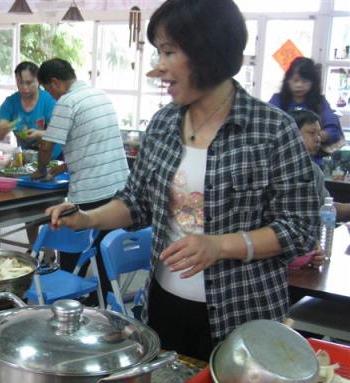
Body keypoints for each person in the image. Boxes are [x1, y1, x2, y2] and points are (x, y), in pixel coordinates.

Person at [45, 0, 319, 361]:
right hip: (164, 306)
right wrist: (86, 217)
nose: (159, 68)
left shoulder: (272, 130)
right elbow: (136, 202)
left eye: (169, 52)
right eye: (159, 52)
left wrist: (220, 246)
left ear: (209, 51)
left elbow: (301, 229)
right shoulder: (162, 124)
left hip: (242, 314)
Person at [32, 58, 130, 297]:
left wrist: (43, 170)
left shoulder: (68, 101)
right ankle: (104, 305)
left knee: (72, 256)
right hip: (119, 191)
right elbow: (93, 142)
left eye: (48, 89)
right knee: (106, 254)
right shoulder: (99, 96)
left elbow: (46, 146)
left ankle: (69, 304)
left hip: (91, 192)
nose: (50, 95)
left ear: (55, 82)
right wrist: (64, 165)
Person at [269, 57, 343, 167]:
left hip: (313, 162)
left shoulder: (320, 102)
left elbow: (334, 131)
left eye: (304, 81)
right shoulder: (278, 100)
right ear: (287, 80)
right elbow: (268, 126)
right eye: (295, 80)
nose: (299, 85)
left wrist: (313, 136)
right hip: (281, 161)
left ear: (313, 83)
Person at [289, 109, 350, 220]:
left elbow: (326, 208)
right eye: (312, 133)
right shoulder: (273, 167)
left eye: (319, 134)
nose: (318, 139)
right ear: (292, 133)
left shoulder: (313, 169)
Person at [0, 61, 61, 159]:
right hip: (25, 159)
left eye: (29, 83)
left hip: (52, 158)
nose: (24, 87)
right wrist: (4, 128)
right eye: (20, 82)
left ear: (38, 81)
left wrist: (38, 134)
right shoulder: (10, 102)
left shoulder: (49, 101)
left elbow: (57, 134)